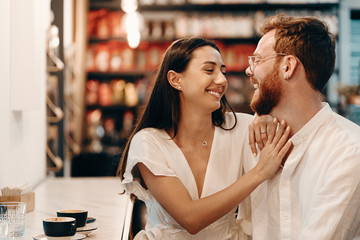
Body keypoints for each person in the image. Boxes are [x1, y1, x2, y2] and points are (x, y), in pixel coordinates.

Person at [118, 37, 292, 239]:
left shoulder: (242, 128)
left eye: (223, 71)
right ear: (176, 80)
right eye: (209, 70)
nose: (222, 80)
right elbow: (190, 218)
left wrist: (266, 116)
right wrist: (259, 172)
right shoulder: (149, 142)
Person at [241, 14, 360, 239]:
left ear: (288, 66)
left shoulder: (348, 152)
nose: (249, 71)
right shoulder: (259, 140)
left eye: (257, 61)